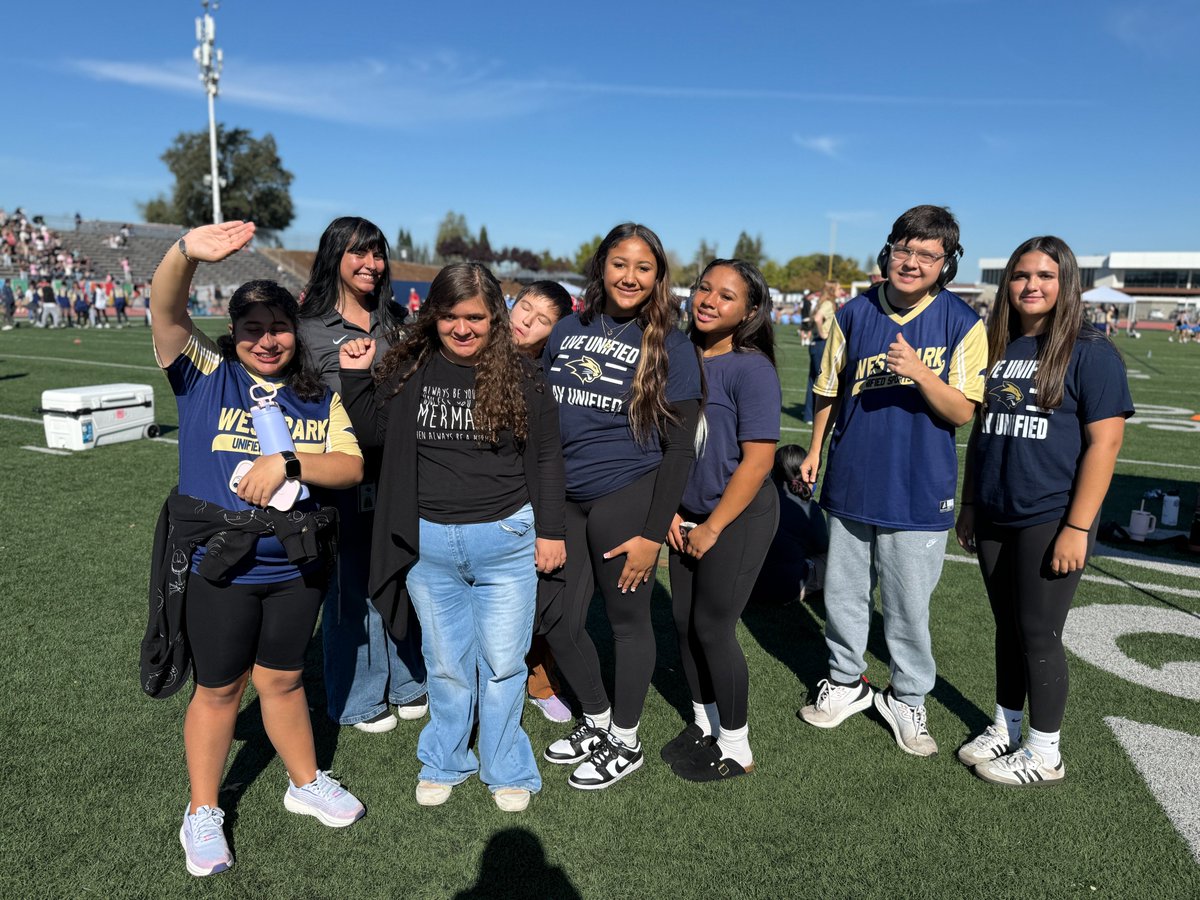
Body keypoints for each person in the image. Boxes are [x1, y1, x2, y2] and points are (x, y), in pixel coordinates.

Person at [147, 221, 366, 878]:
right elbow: (165, 309)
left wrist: (290, 463)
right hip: (222, 566)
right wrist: (184, 252)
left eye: (277, 327)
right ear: (234, 332)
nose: (265, 340)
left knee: (285, 678)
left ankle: (304, 781)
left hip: (295, 565)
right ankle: (203, 809)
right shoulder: (206, 374)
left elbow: (350, 467)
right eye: (251, 328)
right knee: (219, 690)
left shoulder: (315, 394)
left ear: (295, 330)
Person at [339, 262, 566, 813]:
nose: (462, 329)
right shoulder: (409, 366)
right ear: (432, 317)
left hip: (507, 540)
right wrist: (353, 376)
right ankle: (445, 758)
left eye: (475, 317)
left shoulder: (522, 375)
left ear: (495, 318)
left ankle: (505, 763)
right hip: (429, 546)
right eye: (450, 317)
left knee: (505, 663)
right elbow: (372, 435)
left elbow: (546, 456)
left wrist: (552, 531)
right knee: (445, 664)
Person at [798, 205, 987, 758]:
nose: (912, 262)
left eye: (927, 254)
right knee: (844, 593)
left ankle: (906, 696)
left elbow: (962, 412)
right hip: (853, 474)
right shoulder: (854, 313)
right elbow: (828, 388)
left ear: (945, 264)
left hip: (920, 485)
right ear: (887, 253)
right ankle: (844, 680)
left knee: (907, 604)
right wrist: (814, 450)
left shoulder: (962, 322)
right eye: (904, 249)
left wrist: (922, 373)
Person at [955, 236, 1131, 786]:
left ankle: (1045, 750)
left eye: (1045, 276)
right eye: (1021, 275)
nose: (1032, 285)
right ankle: (1007, 725)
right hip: (994, 509)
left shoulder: (1090, 350)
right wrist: (969, 504)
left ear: (1066, 283)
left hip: (1051, 514)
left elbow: (1105, 444)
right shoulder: (996, 343)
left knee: (1038, 632)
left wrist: (1077, 527)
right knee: (1007, 627)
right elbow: (983, 432)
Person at [540, 223, 702, 789]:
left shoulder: (674, 345)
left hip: (626, 493)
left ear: (657, 277)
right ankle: (599, 718)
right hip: (565, 495)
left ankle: (626, 741)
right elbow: (543, 420)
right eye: (619, 264)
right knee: (556, 619)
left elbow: (680, 448)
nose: (629, 277)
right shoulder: (566, 328)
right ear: (601, 267)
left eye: (643, 267)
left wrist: (653, 534)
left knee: (627, 621)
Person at [297, 216, 428, 734]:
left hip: (396, 473)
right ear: (335, 255)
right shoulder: (307, 327)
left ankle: (407, 679)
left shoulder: (395, 320)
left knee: (399, 575)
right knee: (349, 586)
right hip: (339, 477)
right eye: (359, 253)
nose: (371, 265)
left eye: (377, 254)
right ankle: (357, 696)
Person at [662, 259, 781, 781]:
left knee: (712, 627)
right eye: (704, 288)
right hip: (682, 514)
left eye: (726, 296)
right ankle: (705, 722)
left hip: (737, 517)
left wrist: (711, 527)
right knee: (684, 625)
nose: (709, 300)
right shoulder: (677, 355)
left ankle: (736, 744)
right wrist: (670, 509)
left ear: (750, 310)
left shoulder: (751, 368)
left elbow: (757, 461)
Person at [509, 281, 577, 724]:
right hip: (489, 499)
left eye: (542, 320)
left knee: (544, 595)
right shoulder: (474, 351)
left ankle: (540, 677)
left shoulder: (553, 376)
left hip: (541, 499)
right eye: (524, 308)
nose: (526, 322)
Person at [749, 444, 829, 606]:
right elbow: (822, 547)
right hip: (784, 589)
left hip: (747, 585)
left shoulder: (755, 495)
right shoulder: (809, 506)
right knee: (834, 558)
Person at [802, 285, 837, 423]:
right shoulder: (828, 303)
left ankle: (809, 416)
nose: (840, 291)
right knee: (824, 381)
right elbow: (817, 318)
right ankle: (821, 417)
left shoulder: (821, 303)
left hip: (815, 343)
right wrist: (823, 334)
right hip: (822, 343)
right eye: (839, 288)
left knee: (813, 380)